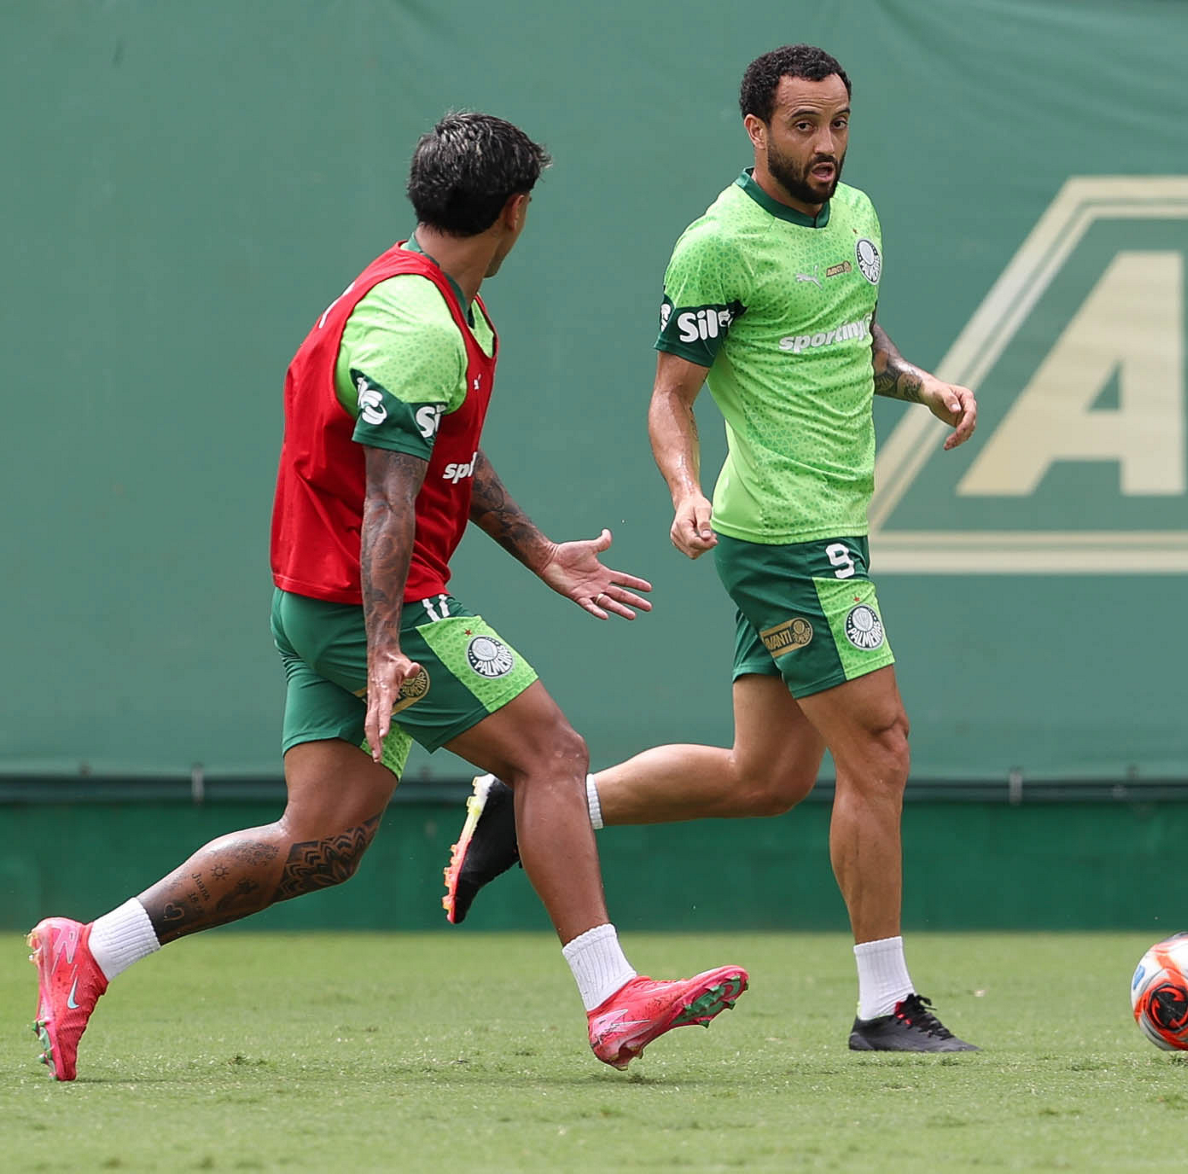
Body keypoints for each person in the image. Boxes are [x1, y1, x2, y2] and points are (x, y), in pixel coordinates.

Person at [26, 113, 747, 1083]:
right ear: (516, 212)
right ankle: (610, 993)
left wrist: (540, 553)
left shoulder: (434, 303)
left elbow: (445, 456)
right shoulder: (416, 325)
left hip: (320, 601)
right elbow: (388, 500)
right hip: (371, 610)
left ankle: (89, 950)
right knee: (551, 754)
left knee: (321, 843)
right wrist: (380, 650)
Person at [443, 48, 980, 1053]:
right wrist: (685, 491)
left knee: (765, 778)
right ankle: (884, 1004)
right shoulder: (717, 245)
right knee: (880, 746)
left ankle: (538, 810)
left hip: (832, 526)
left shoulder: (858, 218)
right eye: (802, 125)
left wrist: (922, 385)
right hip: (783, 537)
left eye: (838, 122)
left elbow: (855, 341)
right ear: (754, 129)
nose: (825, 144)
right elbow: (669, 396)